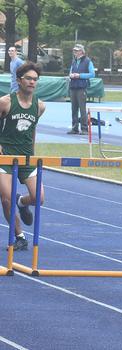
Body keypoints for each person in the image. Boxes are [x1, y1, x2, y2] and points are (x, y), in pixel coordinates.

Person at [0, 62, 45, 250]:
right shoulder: (5, 102)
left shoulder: (40, 106)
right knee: (6, 198)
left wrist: (32, 152)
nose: (32, 82)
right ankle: (19, 236)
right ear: (19, 80)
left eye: (35, 79)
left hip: (26, 157)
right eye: (28, 78)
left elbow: (32, 130)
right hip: (5, 157)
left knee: (38, 199)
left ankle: (22, 202)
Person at [67, 43, 95, 135]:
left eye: (77, 50)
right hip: (73, 86)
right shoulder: (74, 61)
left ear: (82, 51)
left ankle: (84, 129)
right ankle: (74, 128)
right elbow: (70, 72)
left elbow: (92, 74)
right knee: (73, 109)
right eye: (74, 50)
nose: (75, 52)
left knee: (82, 109)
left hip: (82, 87)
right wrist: (70, 75)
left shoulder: (88, 61)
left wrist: (79, 76)